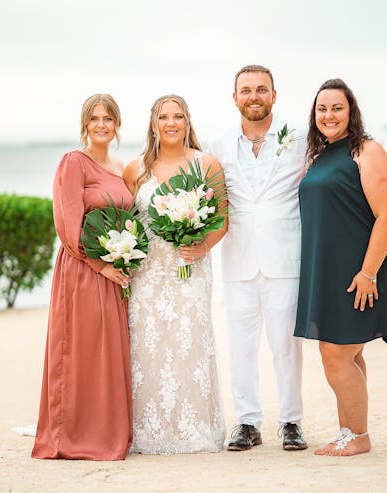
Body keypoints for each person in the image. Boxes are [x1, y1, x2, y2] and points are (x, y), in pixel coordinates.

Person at [293, 78, 387, 456]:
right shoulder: (321, 155)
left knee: (335, 354)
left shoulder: (366, 151)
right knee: (349, 354)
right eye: (322, 109)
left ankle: (359, 436)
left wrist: (368, 272)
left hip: (360, 270)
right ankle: (348, 433)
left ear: (351, 111)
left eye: (337, 108)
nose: (329, 115)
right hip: (328, 268)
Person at [209, 65, 307, 451]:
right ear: (234, 98)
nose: (254, 96)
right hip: (237, 259)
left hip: (285, 257)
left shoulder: (298, 137)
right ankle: (248, 422)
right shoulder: (218, 143)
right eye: (246, 90)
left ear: (274, 95)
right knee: (241, 345)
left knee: (286, 344)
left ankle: (291, 421)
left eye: (261, 89)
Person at [123, 94, 227, 454]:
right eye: (163, 117)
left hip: (190, 268)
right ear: (153, 124)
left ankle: (193, 427)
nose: (171, 123)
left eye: (178, 116)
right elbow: (129, 224)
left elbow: (222, 221)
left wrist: (199, 247)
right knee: (147, 347)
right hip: (148, 274)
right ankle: (147, 429)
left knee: (189, 343)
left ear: (187, 122)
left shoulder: (205, 163)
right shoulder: (135, 169)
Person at [32, 94, 133, 460]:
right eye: (95, 119)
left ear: (117, 124)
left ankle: (107, 431)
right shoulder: (74, 163)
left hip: (114, 275)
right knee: (79, 350)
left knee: (106, 354)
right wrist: (101, 264)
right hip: (82, 271)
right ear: (85, 125)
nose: (102, 124)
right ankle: (70, 436)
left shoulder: (122, 168)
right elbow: (68, 224)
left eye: (109, 118)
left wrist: (125, 261)